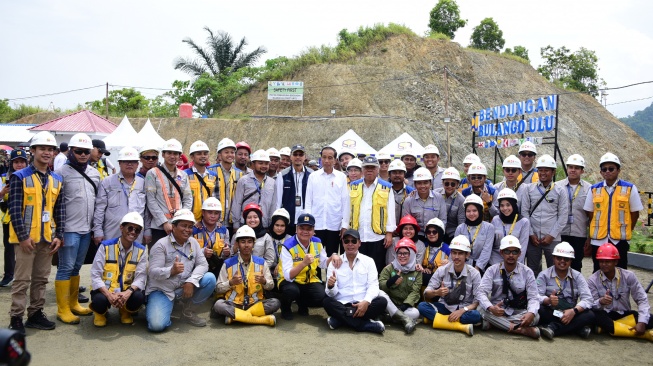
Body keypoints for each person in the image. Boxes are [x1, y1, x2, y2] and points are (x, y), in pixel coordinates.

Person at [8, 131, 64, 334]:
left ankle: (35, 313)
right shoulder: (19, 177)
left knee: (41, 278)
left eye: (50, 149)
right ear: (33, 151)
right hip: (26, 239)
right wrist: (23, 237)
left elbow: (59, 210)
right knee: (22, 279)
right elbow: (14, 209)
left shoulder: (57, 179)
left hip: (47, 238)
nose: (47, 153)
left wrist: (59, 235)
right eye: (43, 149)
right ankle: (16, 317)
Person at [146, 209, 217, 332]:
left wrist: (191, 281)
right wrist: (171, 271)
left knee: (210, 278)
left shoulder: (193, 242)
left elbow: (203, 264)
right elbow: (152, 272)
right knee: (156, 325)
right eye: (183, 225)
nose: (187, 229)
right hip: (163, 290)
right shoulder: (161, 245)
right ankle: (167, 308)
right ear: (173, 227)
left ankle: (187, 311)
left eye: (190, 227)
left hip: (183, 287)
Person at [55, 133, 100, 324]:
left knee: (76, 268)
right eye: (78, 151)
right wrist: (57, 230)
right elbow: (55, 203)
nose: (82, 155)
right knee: (65, 268)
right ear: (71, 151)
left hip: (86, 230)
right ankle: (62, 308)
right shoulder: (60, 173)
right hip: (69, 229)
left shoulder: (94, 173)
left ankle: (73, 303)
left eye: (86, 151)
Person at [584, 153, 642, 271]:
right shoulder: (594, 189)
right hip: (598, 239)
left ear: (618, 170)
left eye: (611, 168)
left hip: (619, 240)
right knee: (598, 271)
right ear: (600, 172)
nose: (607, 171)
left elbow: (634, 214)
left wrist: (626, 230)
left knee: (620, 272)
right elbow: (590, 213)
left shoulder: (629, 188)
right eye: (604, 169)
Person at [323, 229, 387, 334]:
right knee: (327, 302)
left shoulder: (368, 261)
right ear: (342, 243)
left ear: (359, 243)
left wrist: (366, 302)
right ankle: (365, 325)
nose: (350, 244)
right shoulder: (335, 263)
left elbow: (373, 285)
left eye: (353, 241)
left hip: (363, 305)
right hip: (343, 305)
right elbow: (331, 293)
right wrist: (331, 286)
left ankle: (340, 320)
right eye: (346, 241)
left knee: (382, 301)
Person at [213, 226, 280, 326]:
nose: (246, 245)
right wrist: (231, 283)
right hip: (234, 304)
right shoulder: (228, 263)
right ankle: (262, 320)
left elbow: (271, 286)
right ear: (238, 244)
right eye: (243, 242)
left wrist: (264, 281)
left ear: (253, 244)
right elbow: (218, 289)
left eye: (249, 242)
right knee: (218, 305)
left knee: (275, 302)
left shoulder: (261, 262)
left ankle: (236, 318)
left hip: (255, 303)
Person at [89, 212, 147, 327]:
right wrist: (109, 294)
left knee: (139, 296)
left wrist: (127, 293)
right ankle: (100, 314)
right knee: (99, 300)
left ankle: (125, 312)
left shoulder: (141, 250)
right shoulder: (105, 246)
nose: (133, 232)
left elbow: (141, 277)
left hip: (126, 291)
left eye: (137, 230)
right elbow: (95, 274)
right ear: (121, 227)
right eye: (130, 228)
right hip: (106, 290)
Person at [477, 235, 541, 339]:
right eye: (507, 251)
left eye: (515, 252)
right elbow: (481, 292)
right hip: (497, 310)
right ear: (501, 253)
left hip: (518, 311)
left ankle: (496, 324)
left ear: (519, 254)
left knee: (536, 316)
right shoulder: (492, 270)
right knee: (481, 309)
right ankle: (520, 330)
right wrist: (491, 308)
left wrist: (530, 313)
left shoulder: (527, 272)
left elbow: (533, 297)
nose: (511, 255)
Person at [277, 213, 339, 320]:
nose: (305, 232)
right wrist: (303, 263)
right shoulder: (287, 245)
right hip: (291, 281)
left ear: (313, 230)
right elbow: (287, 276)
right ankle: (285, 308)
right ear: (296, 229)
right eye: (302, 228)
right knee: (291, 291)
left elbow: (322, 263)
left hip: (309, 280)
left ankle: (302, 303)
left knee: (322, 297)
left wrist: (332, 256)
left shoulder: (317, 242)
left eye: (309, 228)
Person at [418, 235, 482, 336]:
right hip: (445, 307)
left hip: (464, 309)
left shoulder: (474, 273)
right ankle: (459, 326)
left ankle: (439, 321)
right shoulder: (442, 270)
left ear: (467, 255)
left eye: (460, 253)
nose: (456, 257)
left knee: (476, 316)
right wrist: (436, 292)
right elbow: (427, 293)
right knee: (422, 307)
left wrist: (462, 311)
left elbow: (477, 301)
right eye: (454, 253)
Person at [587, 243, 652, 341]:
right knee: (592, 315)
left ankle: (608, 329)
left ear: (616, 262)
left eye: (608, 261)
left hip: (625, 314)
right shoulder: (593, 279)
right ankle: (645, 334)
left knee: (648, 317)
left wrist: (642, 322)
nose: (604, 264)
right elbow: (591, 304)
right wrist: (600, 302)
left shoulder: (629, 276)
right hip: (606, 315)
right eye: (601, 261)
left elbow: (642, 299)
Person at [521, 154, 568, 276]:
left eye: (546, 170)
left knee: (555, 269)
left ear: (553, 172)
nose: (543, 173)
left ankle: (554, 294)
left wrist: (551, 236)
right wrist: (531, 234)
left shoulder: (560, 191)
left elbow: (563, 216)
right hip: (533, 238)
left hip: (552, 239)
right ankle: (535, 294)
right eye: (540, 170)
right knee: (533, 269)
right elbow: (524, 212)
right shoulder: (529, 189)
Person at [536, 242, 595, 339]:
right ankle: (577, 328)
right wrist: (548, 300)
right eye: (559, 258)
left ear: (571, 260)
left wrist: (574, 311)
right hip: (553, 312)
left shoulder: (578, 276)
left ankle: (553, 327)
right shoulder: (544, 275)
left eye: (566, 259)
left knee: (590, 315)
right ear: (553, 258)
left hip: (571, 312)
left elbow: (588, 299)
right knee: (539, 309)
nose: (562, 261)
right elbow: (536, 296)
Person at [349, 156, 396, 274]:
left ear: (378, 169)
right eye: (366, 167)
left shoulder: (386, 187)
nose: (369, 170)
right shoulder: (353, 186)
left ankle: (375, 292)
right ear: (362, 170)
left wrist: (389, 233)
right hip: (358, 235)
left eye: (373, 168)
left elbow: (390, 211)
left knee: (376, 268)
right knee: (358, 267)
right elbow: (347, 208)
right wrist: (345, 228)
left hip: (377, 236)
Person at [93, 147, 146, 248]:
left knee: (133, 261)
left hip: (136, 233)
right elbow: (100, 208)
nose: (129, 164)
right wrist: (98, 231)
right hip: (112, 232)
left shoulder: (142, 183)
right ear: (119, 163)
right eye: (126, 161)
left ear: (138, 164)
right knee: (110, 262)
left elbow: (146, 212)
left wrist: (147, 232)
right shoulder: (107, 182)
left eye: (133, 162)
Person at [145, 139, 192, 247]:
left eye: (175, 153)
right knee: (158, 258)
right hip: (159, 227)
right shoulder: (152, 173)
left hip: (179, 226)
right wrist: (164, 222)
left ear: (180, 156)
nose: (172, 156)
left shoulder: (183, 175)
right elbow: (151, 200)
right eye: (169, 153)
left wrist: (182, 220)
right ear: (163, 154)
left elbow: (188, 199)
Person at [304, 146, 349, 256]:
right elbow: (308, 202)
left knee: (332, 258)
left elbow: (345, 203)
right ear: (321, 159)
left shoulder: (341, 177)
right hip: (316, 225)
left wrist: (344, 225)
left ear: (335, 160)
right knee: (314, 258)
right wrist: (309, 224)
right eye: (324, 157)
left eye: (330, 158)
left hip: (334, 225)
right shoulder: (313, 177)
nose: (327, 161)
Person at [379, 238, 421, 334]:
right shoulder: (389, 268)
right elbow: (381, 285)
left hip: (404, 306)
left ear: (412, 254)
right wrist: (391, 282)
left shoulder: (417, 271)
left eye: (405, 253)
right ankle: (403, 319)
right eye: (399, 253)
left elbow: (415, 292)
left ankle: (392, 316)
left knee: (415, 313)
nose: (402, 256)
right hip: (390, 303)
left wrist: (404, 306)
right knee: (379, 293)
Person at [556, 154, 590, 271]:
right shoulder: (557, 186)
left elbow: (591, 215)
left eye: (576, 168)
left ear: (582, 171)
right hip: (560, 233)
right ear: (567, 168)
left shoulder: (589, 189)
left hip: (579, 234)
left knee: (576, 264)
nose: (573, 170)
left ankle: (575, 288)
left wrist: (589, 238)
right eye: (570, 167)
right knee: (559, 263)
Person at [0, 150, 28, 288]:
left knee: (28, 248)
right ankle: (9, 275)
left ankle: (25, 277)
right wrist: (2, 193)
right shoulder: (3, 177)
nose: (19, 165)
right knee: (9, 248)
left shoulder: (31, 177)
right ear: (11, 163)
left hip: (28, 218)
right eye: (16, 162)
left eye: (22, 161)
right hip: (8, 219)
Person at [231, 150, 276, 230]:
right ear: (253, 164)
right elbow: (237, 203)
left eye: (266, 163)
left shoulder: (272, 182)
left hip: (264, 225)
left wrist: (271, 224)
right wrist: (236, 225)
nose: (264, 166)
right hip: (245, 224)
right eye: (260, 163)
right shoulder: (243, 180)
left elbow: (273, 205)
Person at [208, 138, 244, 234]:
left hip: (233, 221)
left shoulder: (239, 174)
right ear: (220, 155)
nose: (230, 155)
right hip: (214, 220)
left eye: (232, 152)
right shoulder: (210, 171)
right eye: (226, 152)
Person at [402, 167, 447, 241]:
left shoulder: (439, 198)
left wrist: (435, 236)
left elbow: (443, 220)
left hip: (435, 235)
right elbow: (406, 222)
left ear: (430, 183)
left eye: (425, 182)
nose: (422, 186)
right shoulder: (409, 201)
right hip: (415, 236)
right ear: (415, 185)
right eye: (419, 183)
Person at [192, 197, 230, 278]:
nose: (213, 216)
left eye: (216, 213)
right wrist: (202, 252)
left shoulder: (224, 230)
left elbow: (226, 255)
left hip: (218, 267)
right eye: (210, 212)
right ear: (203, 213)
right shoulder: (194, 230)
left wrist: (227, 253)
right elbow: (189, 253)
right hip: (197, 267)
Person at [454, 194, 494, 273]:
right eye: (468, 211)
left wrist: (477, 268)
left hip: (482, 267)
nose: (471, 214)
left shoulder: (489, 228)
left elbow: (486, 250)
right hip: (462, 265)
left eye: (474, 211)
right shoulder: (460, 228)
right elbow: (456, 249)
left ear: (480, 211)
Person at [276, 144, 311, 232]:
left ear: (305, 157)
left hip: (305, 220)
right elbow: (278, 200)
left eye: (301, 155)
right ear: (291, 156)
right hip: (288, 219)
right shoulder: (283, 175)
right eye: (295, 154)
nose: (298, 157)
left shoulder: (311, 175)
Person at [490, 189, 529, 265]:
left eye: (508, 205)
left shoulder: (524, 222)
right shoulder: (495, 220)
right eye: (502, 205)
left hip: (514, 262)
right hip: (495, 261)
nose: (505, 208)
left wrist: (514, 267)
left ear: (514, 205)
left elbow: (522, 248)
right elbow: (491, 246)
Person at [185, 140, 218, 222]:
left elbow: (216, 199)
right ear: (192, 157)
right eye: (199, 154)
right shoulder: (184, 175)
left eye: (205, 153)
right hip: (189, 220)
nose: (203, 156)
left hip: (208, 222)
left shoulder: (213, 176)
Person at [236, 203, 274, 268]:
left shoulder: (266, 237)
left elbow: (270, 259)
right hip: (239, 272)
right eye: (249, 217)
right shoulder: (238, 234)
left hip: (259, 274)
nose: (252, 220)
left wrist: (259, 271)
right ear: (245, 219)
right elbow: (231, 256)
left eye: (255, 217)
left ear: (260, 218)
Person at [136, 143, 160, 247]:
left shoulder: (162, 177)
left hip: (157, 223)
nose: (150, 160)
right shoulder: (135, 178)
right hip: (138, 222)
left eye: (154, 158)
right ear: (141, 159)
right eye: (147, 157)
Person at [435, 167, 465, 244]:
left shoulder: (461, 200)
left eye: (453, 184)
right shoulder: (435, 194)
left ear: (458, 184)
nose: (450, 186)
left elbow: (461, 223)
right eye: (447, 183)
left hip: (452, 233)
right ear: (442, 183)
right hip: (436, 230)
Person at [420, 218, 451, 286]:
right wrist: (424, 268)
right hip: (424, 279)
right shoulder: (423, 246)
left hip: (441, 281)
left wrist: (449, 263)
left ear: (440, 233)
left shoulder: (448, 249)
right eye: (428, 232)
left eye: (434, 232)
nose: (431, 234)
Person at [387, 160, 414, 226]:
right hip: (388, 229)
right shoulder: (384, 190)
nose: (397, 175)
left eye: (400, 173)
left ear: (404, 174)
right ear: (389, 175)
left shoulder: (411, 191)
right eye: (394, 173)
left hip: (406, 229)